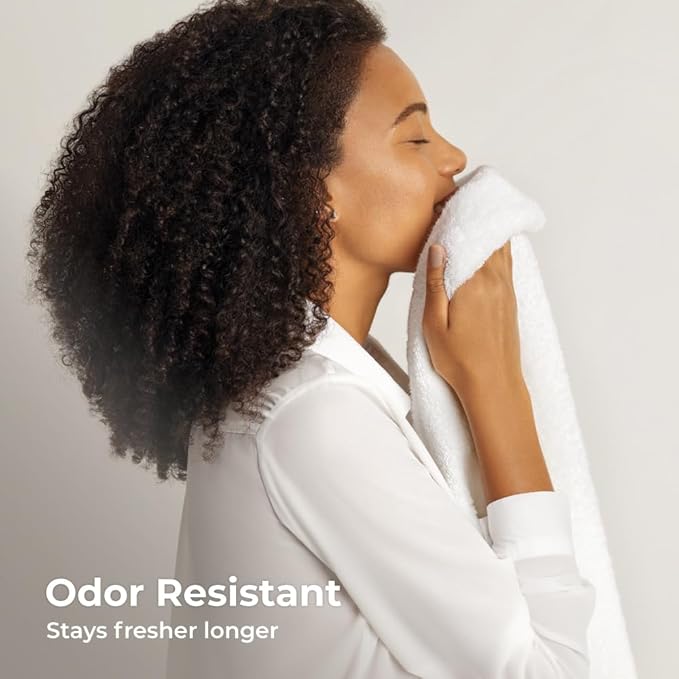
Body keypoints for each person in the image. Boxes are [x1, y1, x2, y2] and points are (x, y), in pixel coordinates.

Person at [26, 1, 596, 677]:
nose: (454, 159)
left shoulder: (311, 391)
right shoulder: (313, 417)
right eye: (415, 138)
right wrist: (497, 386)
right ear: (307, 190)